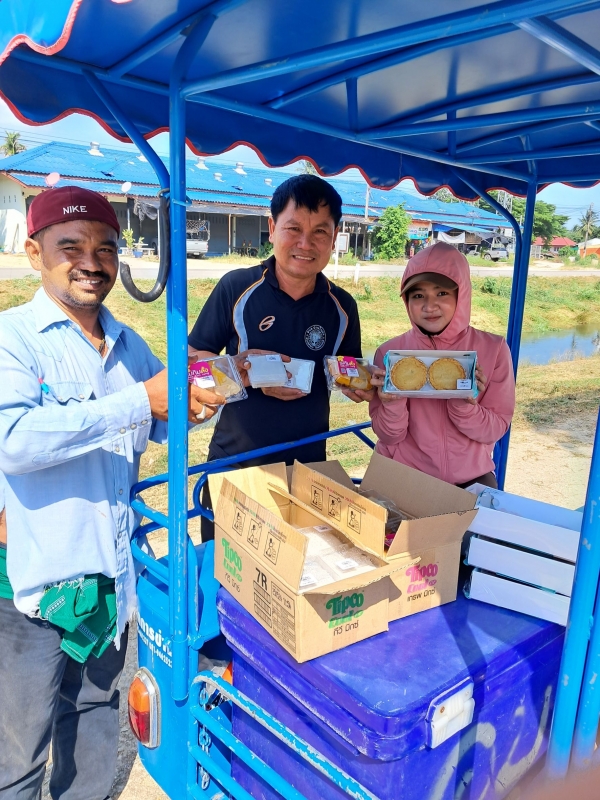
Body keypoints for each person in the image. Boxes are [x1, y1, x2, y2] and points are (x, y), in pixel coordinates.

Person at [0, 186, 224, 799]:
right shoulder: (14, 337)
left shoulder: (129, 345)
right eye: (70, 247)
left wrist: (195, 403)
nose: (91, 262)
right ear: (34, 253)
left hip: (109, 571)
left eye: (105, 248)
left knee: (95, 714)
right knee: (19, 746)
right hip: (35, 582)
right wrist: (137, 401)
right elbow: (14, 440)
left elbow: (158, 419)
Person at [189, 174, 370, 472]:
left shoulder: (343, 306)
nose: (305, 244)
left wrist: (367, 383)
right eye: (293, 228)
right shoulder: (236, 288)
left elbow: (348, 374)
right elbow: (192, 366)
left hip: (309, 467)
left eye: (320, 231)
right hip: (235, 464)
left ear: (334, 237)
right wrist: (244, 371)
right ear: (272, 229)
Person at [369, 242, 515, 488]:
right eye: (418, 295)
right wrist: (392, 404)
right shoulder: (390, 354)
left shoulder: (494, 349)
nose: (429, 306)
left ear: (462, 294)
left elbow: (495, 429)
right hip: (402, 473)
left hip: (470, 477)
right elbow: (389, 436)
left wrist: (464, 405)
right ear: (406, 300)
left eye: (442, 293)